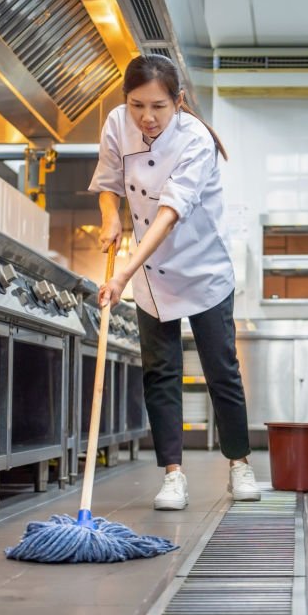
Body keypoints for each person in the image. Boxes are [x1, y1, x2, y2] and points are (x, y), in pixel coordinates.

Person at [89, 54, 261, 510]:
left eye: (158, 107)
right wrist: (111, 219)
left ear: (178, 102)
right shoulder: (115, 124)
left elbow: (169, 212)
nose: (146, 117)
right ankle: (173, 475)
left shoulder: (197, 141)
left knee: (221, 370)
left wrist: (124, 269)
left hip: (202, 268)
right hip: (151, 276)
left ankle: (240, 464)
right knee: (160, 374)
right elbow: (109, 181)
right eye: (136, 105)